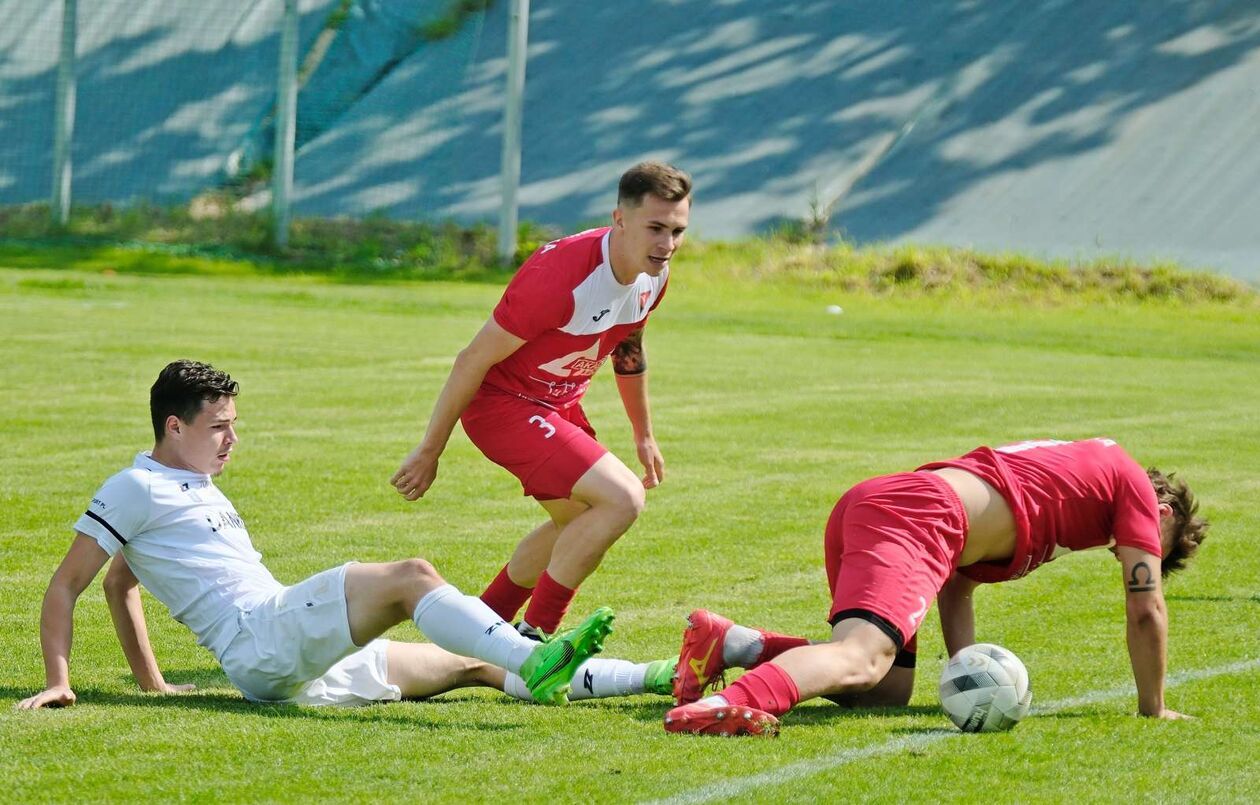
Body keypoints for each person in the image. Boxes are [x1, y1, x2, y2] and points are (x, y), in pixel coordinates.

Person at [16, 360, 671, 712]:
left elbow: (122, 584)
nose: (232, 438)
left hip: (285, 658)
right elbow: (68, 583)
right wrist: (58, 679)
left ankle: (657, 676)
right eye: (219, 426)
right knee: (412, 574)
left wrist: (154, 683)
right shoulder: (135, 486)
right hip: (262, 637)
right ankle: (537, 653)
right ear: (173, 426)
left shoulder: (192, 483)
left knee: (476, 665)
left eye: (234, 423)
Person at [663, 438, 1209, 736]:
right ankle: (727, 706)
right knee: (861, 658)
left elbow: (957, 584)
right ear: (1161, 512)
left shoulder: (1076, 489)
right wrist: (1153, 707)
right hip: (917, 515)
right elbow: (1146, 609)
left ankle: (732, 643)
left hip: (894, 506)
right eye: (1159, 547)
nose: (1133, 555)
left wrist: (967, 670)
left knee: (884, 691)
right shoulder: (1130, 483)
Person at [391, 161, 692, 639]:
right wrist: (431, 450)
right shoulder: (560, 277)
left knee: (579, 522)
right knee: (622, 500)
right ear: (619, 218)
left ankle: (475, 632)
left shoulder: (655, 275)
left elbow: (628, 346)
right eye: (655, 228)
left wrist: (644, 433)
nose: (667, 244)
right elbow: (471, 360)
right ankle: (537, 639)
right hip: (502, 405)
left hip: (554, 407)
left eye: (677, 230)